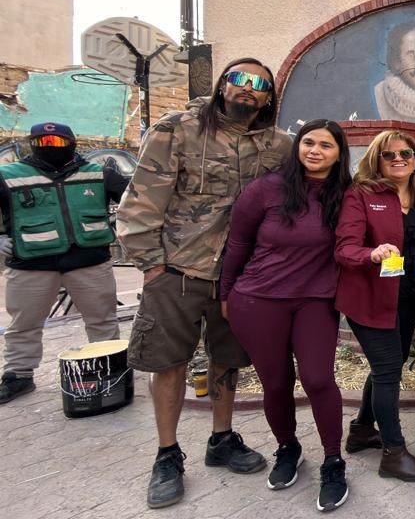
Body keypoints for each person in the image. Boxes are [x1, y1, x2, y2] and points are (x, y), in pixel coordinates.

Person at [117, 57, 291, 509]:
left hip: (239, 277)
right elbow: (141, 201)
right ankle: (168, 453)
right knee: (169, 362)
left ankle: (222, 437)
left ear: (269, 96)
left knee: (228, 359)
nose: (247, 89)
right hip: (177, 269)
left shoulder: (279, 145)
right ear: (222, 85)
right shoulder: (178, 129)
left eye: (259, 84)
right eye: (238, 79)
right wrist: (151, 265)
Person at [220, 119, 351, 511]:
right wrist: (226, 294)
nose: (315, 151)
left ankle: (333, 461)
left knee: (318, 379)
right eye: (308, 142)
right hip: (258, 300)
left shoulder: (347, 195)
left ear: (338, 153)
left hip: (315, 301)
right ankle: (288, 448)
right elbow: (237, 243)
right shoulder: (266, 190)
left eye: (326, 145)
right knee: (276, 384)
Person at [0, 122, 129, 404]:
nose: (50, 147)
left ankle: (111, 372)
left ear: (70, 144)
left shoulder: (98, 174)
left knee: (103, 322)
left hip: (89, 262)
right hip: (31, 264)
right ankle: (18, 376)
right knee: (24, 325)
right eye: (42, 142)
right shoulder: (8, 175)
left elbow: (137, 202)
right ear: (32, 143)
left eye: (57, 142)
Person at [334, 130, 415, 482]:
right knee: (389, 370)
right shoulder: (361, 194)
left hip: (405, 299)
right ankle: (393, 453)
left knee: (387, 367)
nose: (398, 160)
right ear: (377, 159)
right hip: (368, 299)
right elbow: (345, 248)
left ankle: (362, 430)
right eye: (389, 155)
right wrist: (371, 253)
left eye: (405, 154)